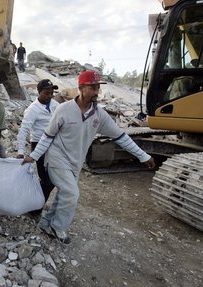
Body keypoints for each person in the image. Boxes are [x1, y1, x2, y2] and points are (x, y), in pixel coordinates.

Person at [22, 71, 156, 244]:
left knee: (65, 194)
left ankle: (45, 223)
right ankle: (58, 228)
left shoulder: (99, 116)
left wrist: (143, 156)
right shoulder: (63, 110)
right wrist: (33, 157)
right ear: (81, 88)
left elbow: (121, 137)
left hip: (75, 163)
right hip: (56, 158)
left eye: (98, 88)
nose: (96, 92)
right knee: (71, 194)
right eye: (92, 87)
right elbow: (47, 136)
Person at [17, 79, 59, 218]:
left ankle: (36, 203)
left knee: (52, 179)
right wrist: (20, 151)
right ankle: (35, 207)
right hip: (39, 144)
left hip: (55, 145)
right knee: (46, 180)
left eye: (52, 93)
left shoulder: (55, 105)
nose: (50, 96)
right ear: (39, 92)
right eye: (47, 93)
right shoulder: (33, 109)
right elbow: (24, 130)